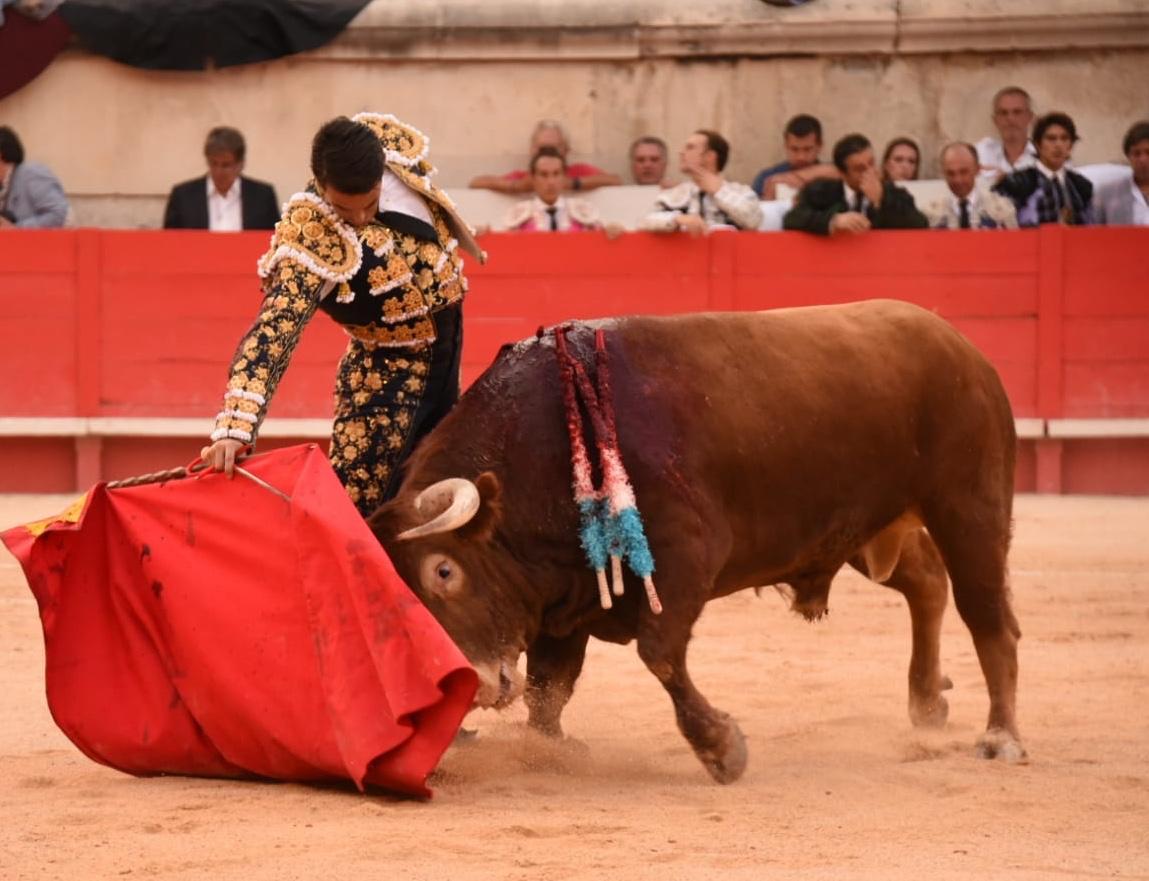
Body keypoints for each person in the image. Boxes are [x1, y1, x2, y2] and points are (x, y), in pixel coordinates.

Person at [201, 113, 484, 516]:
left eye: (369, 204)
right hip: (383, 388)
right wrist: (234, 427)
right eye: (343, 208)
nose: (359, 218)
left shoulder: (389, 156)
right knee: (360, 513)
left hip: (445, 368)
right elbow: (273, 332)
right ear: (321, 184)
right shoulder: (311, 237)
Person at [783, 133, 928, 235]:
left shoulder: (893, 192)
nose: (869, 172)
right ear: (842, 173)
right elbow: (792, 219)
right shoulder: (821, 191)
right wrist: (833, 221)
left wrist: (881, 200)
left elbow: (920, 224)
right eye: (860, 169)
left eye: (871, 163)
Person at [640, 130, 763, 233]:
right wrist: (678, 219)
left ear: (710, 156)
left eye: (690, 147)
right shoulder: (674, 194)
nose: (681, 153)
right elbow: (644, 223)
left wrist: (719, 191)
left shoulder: (740, 192)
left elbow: (754, 220)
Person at [163, 126, 280, 231]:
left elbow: (275, 241)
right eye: (213, 163)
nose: (218, 172)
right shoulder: (183, 197)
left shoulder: (262, 197)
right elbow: (169, 242)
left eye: (226, 165)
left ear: (241, 164)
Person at [992, 112, 1093, 226]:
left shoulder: (1081, 186)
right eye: (1051, 138)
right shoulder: (1016, 182)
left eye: (1064, 138)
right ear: (1038, 144)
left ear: (1070, 145)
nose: (1058, 145)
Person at [469, 120, 621, 194]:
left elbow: (616, 181)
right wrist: (518, 187)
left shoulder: (579, 170)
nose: (547, 154)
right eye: (542, 149)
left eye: (553, 148)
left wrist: (573, 183)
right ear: (532, 150)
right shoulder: (524, 177)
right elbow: (475, 183)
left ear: (566, 150)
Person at [501, 146, 602, 232]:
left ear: (564, 176)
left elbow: (600, 244)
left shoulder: (582, 211)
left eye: (556, 174)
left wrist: (613, 233)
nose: (551, 182)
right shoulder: (519, 215)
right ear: (533, 178)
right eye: (544, 175)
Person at [924, 142, 1017, 230]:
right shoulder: (930, 214)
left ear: (977, 169)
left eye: (964, 172)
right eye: (950, 173)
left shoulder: (1001, 209)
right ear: (943, 173)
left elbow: (1014, 244)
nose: (958, 180)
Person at [751, 114, 839, 199]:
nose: (801, 157)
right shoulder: (767, 177)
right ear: (786, 146)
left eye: (807, 149)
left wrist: (796, 177)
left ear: (820, 146)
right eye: (794, 149)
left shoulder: (832, 176)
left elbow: (841, 172)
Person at [0, 125, 69, 229]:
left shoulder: (31, 174)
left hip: (45, 244)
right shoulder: (4, 184)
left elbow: (58, 213)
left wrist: (17, 229)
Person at [977, 87, 1038, 182]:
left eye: (1017, 112)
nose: (1010, 118)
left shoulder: (1046, 156)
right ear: (995, 120)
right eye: (1003, 113)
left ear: (1030, 117)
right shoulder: (980, 153)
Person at [1095, 120, 1149, 226]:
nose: (1143, 159)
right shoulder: (1106, 195)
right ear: (1128, 156)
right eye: (1136, 154)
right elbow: (1091, 235)